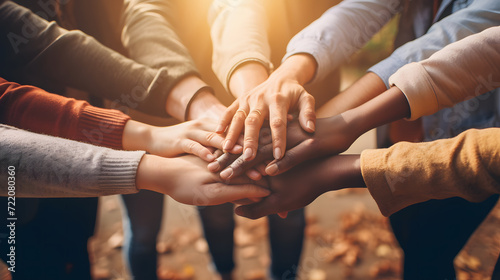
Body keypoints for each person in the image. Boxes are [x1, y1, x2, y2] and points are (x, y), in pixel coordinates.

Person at [215, 1, 500, 278]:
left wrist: (339, 128)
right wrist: (288, 74)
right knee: (411, 240)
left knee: (430, 249)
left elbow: (462, 41)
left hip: (463, 133)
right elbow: (363, 9)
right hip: (399, 130)